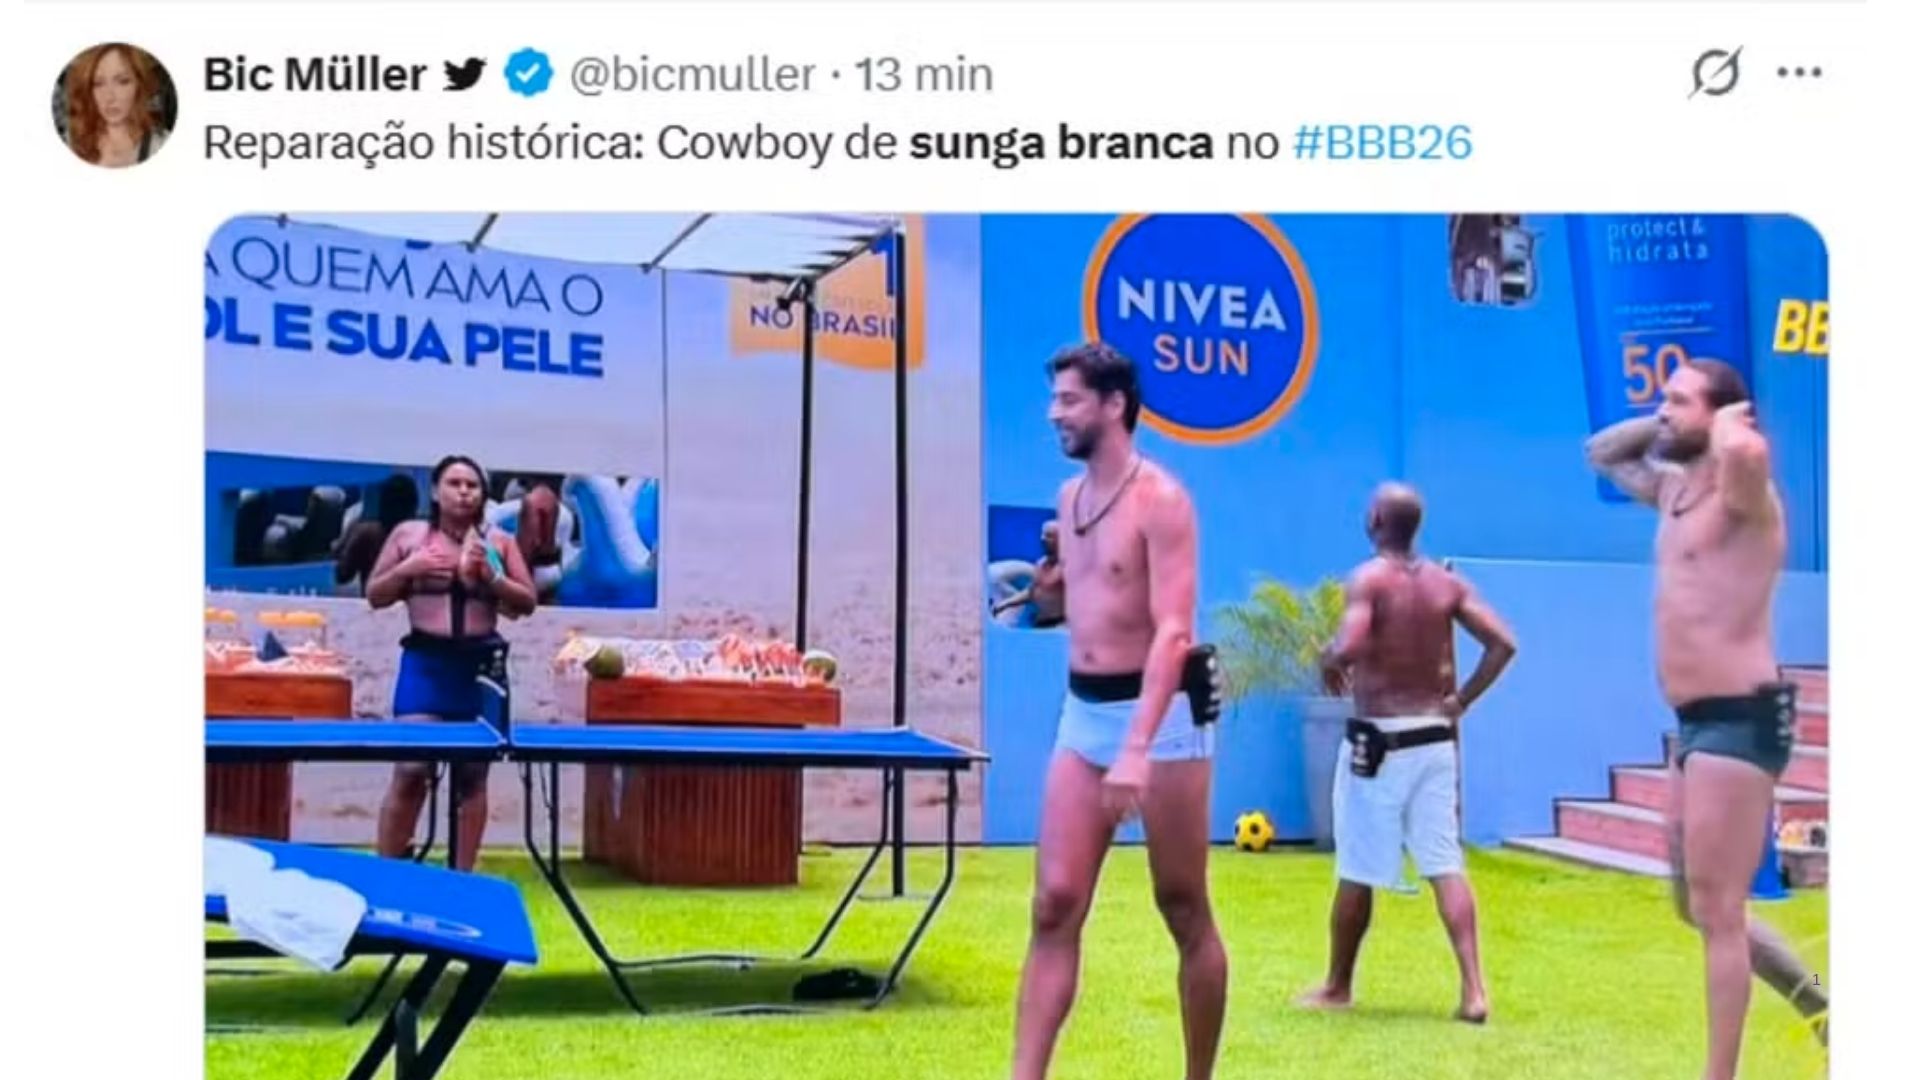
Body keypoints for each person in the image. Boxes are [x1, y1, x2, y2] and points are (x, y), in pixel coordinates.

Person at [1585, 360, 1828, 1077]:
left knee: (1719, 913)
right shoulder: (1673, 489)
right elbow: (1602, 452)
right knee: (1697, 907)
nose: (1664, 410)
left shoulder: (1746, 495)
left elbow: (1747, 457)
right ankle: (1825, 1009)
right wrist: (1672, 420)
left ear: (1725, 414)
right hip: (1694, 724)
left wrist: (1727, 426)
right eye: (1663, 399)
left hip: (1741, 717)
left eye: (1679, 400)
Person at [1011, 342, 1227, 1080]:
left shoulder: (1162, 499)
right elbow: (1091, 604)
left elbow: (1173, 630)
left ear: (1113, 405)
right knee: (1054, 903)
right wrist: (1052, 599)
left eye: (1068, 400)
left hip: (1162, 719)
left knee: (1182, 905)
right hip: (1084, 714)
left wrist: (1136, 747)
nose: (1054, 414)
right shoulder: (1069, 499)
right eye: (1054, 400)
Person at [1300, 483, 1516, 1023]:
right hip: (1434, 737)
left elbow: (1351, 644)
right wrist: (1460, 701)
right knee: (1445, 862)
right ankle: (1474, 991)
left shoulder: (1369, 579)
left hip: (1380, 740)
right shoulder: (1446, 583)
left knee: (1355, 866)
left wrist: (1328, 659)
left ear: (1375, 519)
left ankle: (1337, 986)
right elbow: (1502, 643)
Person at [365, 455, 537, 871]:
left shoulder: (499, 542)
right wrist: (409, 569)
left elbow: (527, 601)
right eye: (454, 484)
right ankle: (389, 872)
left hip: (480, 669)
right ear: (436, 491)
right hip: (426, 665)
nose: (463, 492)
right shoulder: (409, 536)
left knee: (472, 777)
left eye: (472, 485)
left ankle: (461, 878)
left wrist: (492, 578)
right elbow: (375, 594)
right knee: (411, 770)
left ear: (483, 494)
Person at [62, 44, 169, 167]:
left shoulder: (160, 145)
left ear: (139, 85)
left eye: (123, 81)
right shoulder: (71, 141)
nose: (109, 97)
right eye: (98, 83)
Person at [992, 520, 1065, 627]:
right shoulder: (1041, 563)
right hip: (1040, 623)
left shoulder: (1068, 567)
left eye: (1049, 536)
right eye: (1043, 534)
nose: (1042, 539)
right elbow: (1032, 592)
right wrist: (1005, 604)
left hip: (1060, 625)